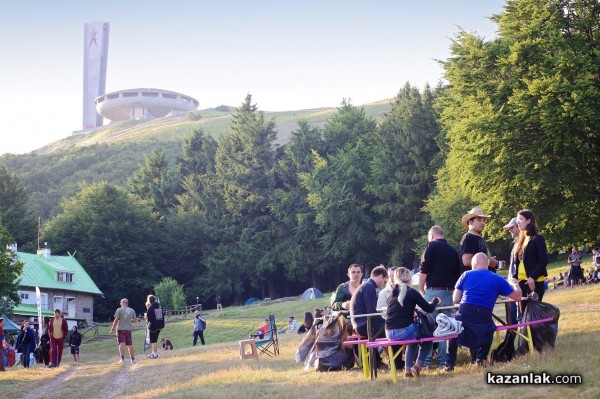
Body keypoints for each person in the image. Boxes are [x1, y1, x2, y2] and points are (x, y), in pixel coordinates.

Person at [445, 253, 522, 371]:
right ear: (487, 263)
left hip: (465, 311)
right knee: (490, 329)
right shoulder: (497, 279)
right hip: (484, 314)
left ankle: (449, 364)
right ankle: (480, 359)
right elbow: (517, 297)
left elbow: (455, 299)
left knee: (453, 329)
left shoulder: (466, 274)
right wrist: (515, 284)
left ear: (475, 263)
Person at [418, 225, 461, 369]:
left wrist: (421, 288)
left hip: (433, 291)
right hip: (449, 292)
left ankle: (427, 361)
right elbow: (457, 273)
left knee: (429, 325)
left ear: (431, 235)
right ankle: (443, 360)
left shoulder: (430, 246)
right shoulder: (453, 250)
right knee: (445, 327)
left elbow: (424, 269)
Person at [386, 267, 440, 378]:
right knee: (429, 336)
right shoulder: (411, 292)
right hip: (403, 331)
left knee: (413, 340)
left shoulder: (392, 293)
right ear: (409, 278)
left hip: (389, 333)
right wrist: (435, 301)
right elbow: (429, 308)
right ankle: (417, 366)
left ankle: (407, 372)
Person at [513, 209, 549, 310]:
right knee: (524, 315)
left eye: (520, 219)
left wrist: (532, 277)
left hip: (534, 282)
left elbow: (544, 260)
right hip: (522, 283)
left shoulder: (538, 238)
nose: (518, 222)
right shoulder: (521, 240)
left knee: (533, 315)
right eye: (517, 219)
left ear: (529, 221)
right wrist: (515, 279)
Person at [350, 265, 388, 340]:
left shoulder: (366, 285)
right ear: (380, 276)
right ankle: (399, 352)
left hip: (359, 325)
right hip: (364, 326)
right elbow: (371, 312)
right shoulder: (369, 287)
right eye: (385, 280)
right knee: (394, 329)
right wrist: (386, 321)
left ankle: (380, 352)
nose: (384, 283)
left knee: (389, 326)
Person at [460, 207, 498, 272]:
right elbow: (467, 261)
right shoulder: (469, 238)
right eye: (479, 220)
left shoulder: (479, 238)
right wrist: (489, 262)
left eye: (483, 220)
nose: (482, 223)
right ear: (470, 222)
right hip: (476, 279)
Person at [108, 298, 137, 364]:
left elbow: (116, 320)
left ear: (123, 303)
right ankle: (132, 359)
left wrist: (112, 329)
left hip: (120, 329)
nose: (120, 303)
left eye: (121, 302)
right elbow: (135, 320)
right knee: (130, 344)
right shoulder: (132, 310)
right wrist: (130, 320)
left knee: (121, 343)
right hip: (128, 329)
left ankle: (122, 359)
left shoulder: (119, 310)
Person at [146, 294, 165, 359]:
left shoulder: (151, 308)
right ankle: (153, 353)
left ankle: (155, 354)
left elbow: (149, 318)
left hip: (153, 326)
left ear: (149, 301)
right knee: (155, 340)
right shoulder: (159, 306)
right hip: (160, 324)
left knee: (153, 341)